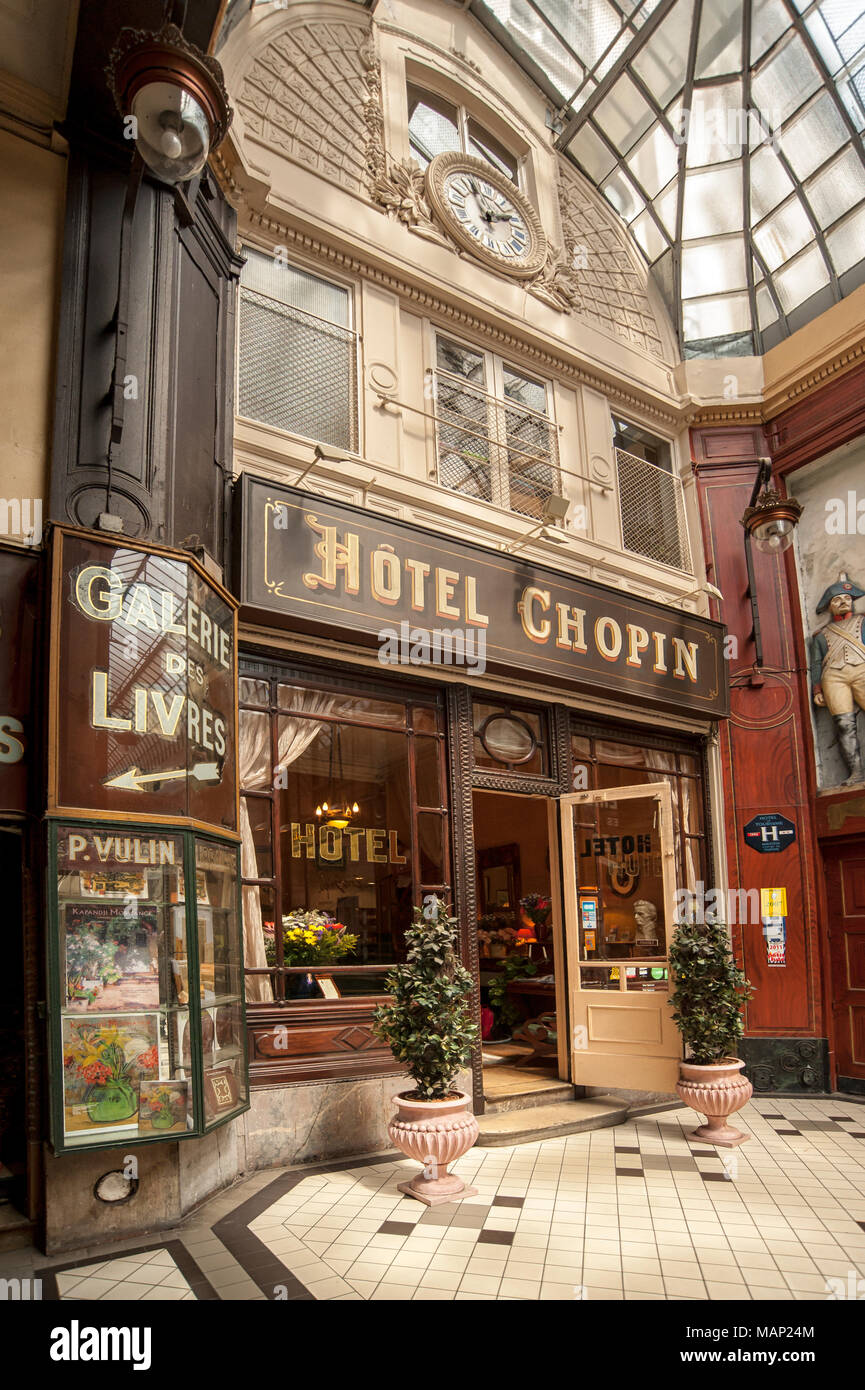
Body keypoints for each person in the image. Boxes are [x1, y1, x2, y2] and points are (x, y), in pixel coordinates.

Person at [810, 572, 865, 785]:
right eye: (837, 600)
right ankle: (857, 772)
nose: (843, 603)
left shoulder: (862, 622)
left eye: (846, 599)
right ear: (829, 606)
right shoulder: (821, 635)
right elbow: (815, 664)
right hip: (833, 678)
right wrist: (817, 690)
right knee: (844, 724)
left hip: (861, 670)